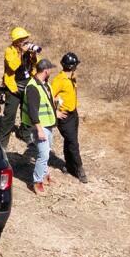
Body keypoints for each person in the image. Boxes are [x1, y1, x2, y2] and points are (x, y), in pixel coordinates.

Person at [16, 60, 57, 194]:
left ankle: (44, 176)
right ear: (46, 71)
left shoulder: (45, 84)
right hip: (40, 126)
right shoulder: (33, 87)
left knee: (46, 151)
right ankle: (37, 182)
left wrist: (56, 112)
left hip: (47, 123)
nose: (51, 71)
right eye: (50, 69)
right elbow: (33, 111)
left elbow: (48, 103)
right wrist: (39, 130)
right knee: (43, 154)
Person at [50, 51, 85, 182]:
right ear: (72, 66)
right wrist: (55, 113)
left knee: (70, 140)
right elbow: (48, 96)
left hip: (73, 114)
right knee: (73, 143)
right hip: (64, 117)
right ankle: (79, 169)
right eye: (75, 65)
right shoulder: (59, 80)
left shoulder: (71, 77)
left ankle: (69, 165)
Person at [0, 26, 33, 146]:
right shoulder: (10, 51)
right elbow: (13, 66)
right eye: (22, 39)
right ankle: (3, 141)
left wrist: (33, 54)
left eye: (25, 38)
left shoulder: (28, 51)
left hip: (28, 84)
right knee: (10, 115)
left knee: (28, 112)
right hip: (14, 87)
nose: (25, 41)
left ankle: (25, 134)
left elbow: (35, 65)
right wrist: (21, 53)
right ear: (16, 41)